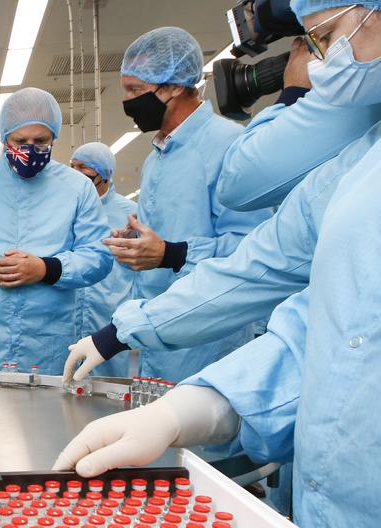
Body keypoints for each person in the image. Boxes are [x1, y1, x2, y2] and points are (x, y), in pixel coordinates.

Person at [57, 0, 381, 528]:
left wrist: (167, 270)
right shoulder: (360, 161)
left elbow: (223, 259)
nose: (325, 61)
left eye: (329, 39)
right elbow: (321, 319)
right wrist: (199, 403)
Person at [66, 27, 270, 385]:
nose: (126, 101)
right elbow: (166, 237)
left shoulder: (229, 145)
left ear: (174, 86)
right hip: (157, 334)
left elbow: (254, 250)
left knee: (201, 438)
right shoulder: (157, 156)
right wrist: (136, 241)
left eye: (133, 90)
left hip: (208, 340)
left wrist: (171, 254)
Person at [0, 87, 112, 374]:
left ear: (54, 137)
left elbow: (99, 256)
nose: (29, 149)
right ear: (4, 137)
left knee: (46, 417)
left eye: (40, 141)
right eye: (19, 140)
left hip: (47, 344)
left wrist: (46, 269)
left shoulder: (77, 189)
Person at [217, 36, 381, 212]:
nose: (320, 52)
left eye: (326, 34)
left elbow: (235, 183)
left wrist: (294, 91)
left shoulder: (355, 98)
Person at [69, 142, 138, 378]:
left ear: (104, 173)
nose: (76, 173)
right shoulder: (66, 208)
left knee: (109, 385)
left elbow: (145, 267)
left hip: (108, 313)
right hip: (68, 313)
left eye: (84, 167)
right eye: (72, 166)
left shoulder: (130, 213)